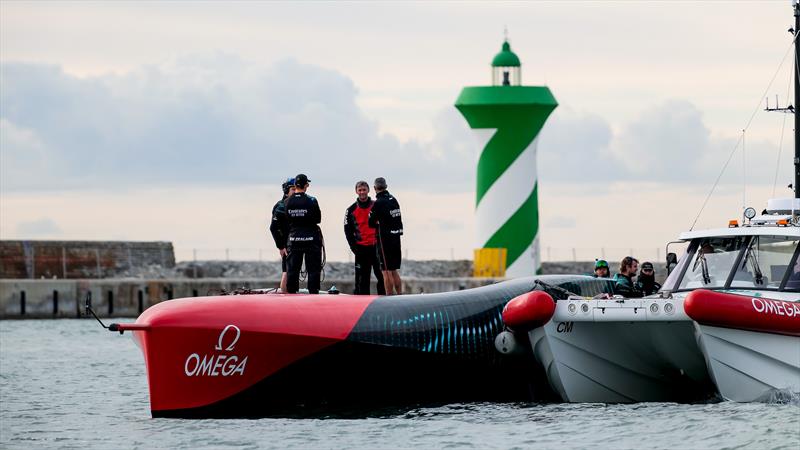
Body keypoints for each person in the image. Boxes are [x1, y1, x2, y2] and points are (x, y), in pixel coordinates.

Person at [344, 181, 386, 295]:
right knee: (362, 280)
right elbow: (347, 231)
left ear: (368, 190)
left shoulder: (376, 205)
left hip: (376, 247)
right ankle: (361, 304)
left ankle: (383, 300)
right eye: (360, 190)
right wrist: (354, 248)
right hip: (361, 249)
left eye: (364, 190)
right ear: (356, 191)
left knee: (382, 277)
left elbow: (384, 224)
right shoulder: (350, 210)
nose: (362, 192)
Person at [285, 173, 322, 294]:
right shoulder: (311, 200)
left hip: (294, 239)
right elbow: (318, 219)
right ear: (306, 185)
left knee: (292, 270)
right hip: (311, 239)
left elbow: (287, 219)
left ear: (295, 185)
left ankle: (291, 294)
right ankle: (313, 293)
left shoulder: (287, 201)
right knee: (313, 270)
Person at [368, 177, 403, 295]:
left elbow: (371, 222)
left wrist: (379, 222)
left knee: (386, 271)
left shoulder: (379, 203)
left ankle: (389, 298)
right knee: (394, 270)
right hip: (396, 237)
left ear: (374, 188)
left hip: (385, 240)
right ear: (386, 186)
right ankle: (400, 295)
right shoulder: (394, 199)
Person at [269, 177, 294, 292]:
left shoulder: (297, 204)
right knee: (287, 271)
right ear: (286, 190)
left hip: (296, 243)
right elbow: (273, 227)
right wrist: (281, 246)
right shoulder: (280, 206)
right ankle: (284, 296)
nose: (295, 191)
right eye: (293, 189)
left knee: (293, 271)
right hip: (287, 245)